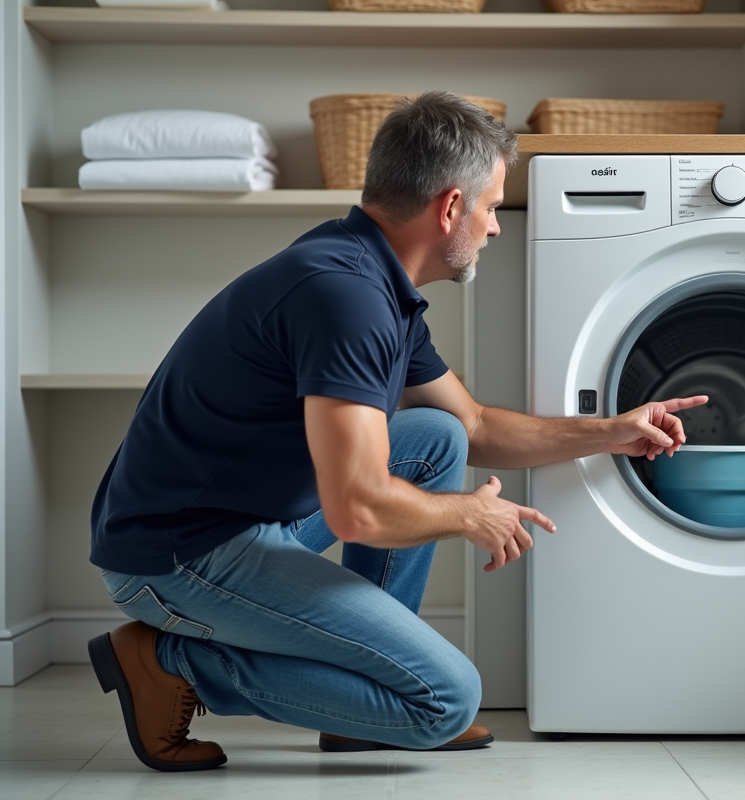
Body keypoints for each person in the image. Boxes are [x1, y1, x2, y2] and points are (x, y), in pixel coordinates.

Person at [86, 90, 707, 773]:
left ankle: (360, 709)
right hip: (180, 556)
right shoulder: (346, 299)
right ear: (449, 208)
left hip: (244, 519)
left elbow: (470, 426)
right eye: (493, 207)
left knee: (435, 436)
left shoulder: (374, 279)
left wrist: (611, 432)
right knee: (445, 701)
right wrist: (468, 514)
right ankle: (168, 661)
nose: (497, 227)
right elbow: (356, 509)